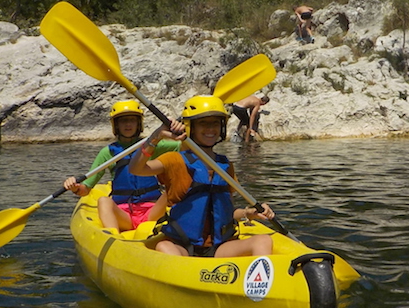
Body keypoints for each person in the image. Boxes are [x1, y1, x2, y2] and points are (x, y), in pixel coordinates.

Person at [129, 94, 275, 258]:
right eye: (203, 123)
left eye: (215, 123)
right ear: (191, 127)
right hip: (183, 246)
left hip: (219, 248)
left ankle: (260, 281)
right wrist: (156, 136)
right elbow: (136, 168)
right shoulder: (175, 160)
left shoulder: (225, 166)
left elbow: (226, 212)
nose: (210, 129)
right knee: (164, 247)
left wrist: (249, 213)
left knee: (263, 241)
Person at [63, 100, 179, 232]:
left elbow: (185, 145)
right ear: (116, 125)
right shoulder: (108, 153)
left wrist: (177, 128)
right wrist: (74, 186)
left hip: (153, 211)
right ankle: (112, 236)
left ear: (138, 124)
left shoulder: (152, 145)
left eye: (132, 120)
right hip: (124, 215)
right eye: (123, 121)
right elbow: (85, 189)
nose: (128, 124)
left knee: (174, 184)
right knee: (103, 200)